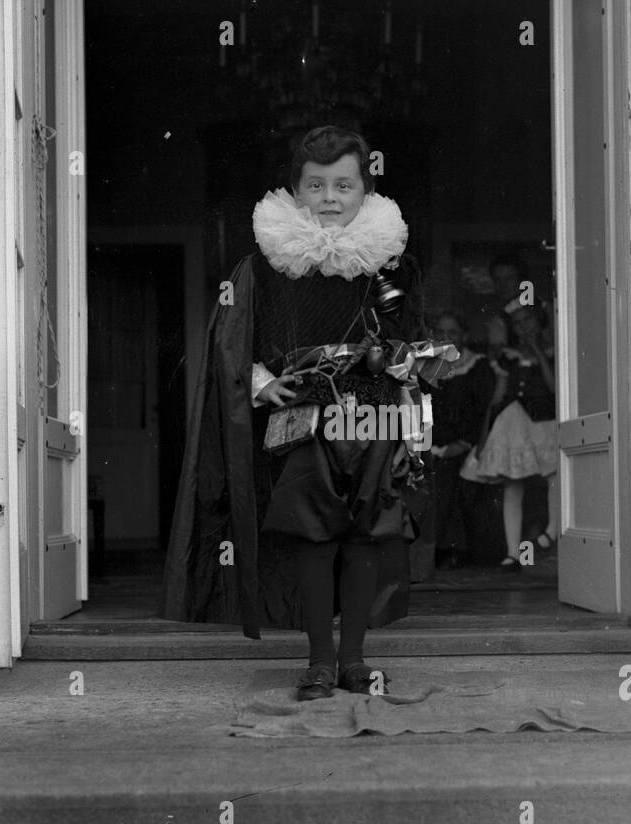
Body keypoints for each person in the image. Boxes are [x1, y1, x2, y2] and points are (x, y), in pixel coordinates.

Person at [159, 124, 440, 701]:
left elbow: (415, 339)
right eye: (316, 185)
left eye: (344, 184)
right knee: (314, 538)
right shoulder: (265, 264)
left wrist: (402, 368)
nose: (331, 198)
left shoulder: (390, 263)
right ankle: (318, 661)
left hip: (376, 415)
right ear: (295, 189)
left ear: (365, 188)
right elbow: (235, 344)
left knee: (364, 536)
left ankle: (356, 662)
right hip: (304, 421)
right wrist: (261, 383)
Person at [460, 303, 558, 569]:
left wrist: (536, 349)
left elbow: (553, 388)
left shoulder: (552, 351)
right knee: (512, 483)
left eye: (528, 320)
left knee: (554, 473)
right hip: (514, 423)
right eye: (517, 323)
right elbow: (497, 398)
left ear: (539, 321)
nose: (524, 326)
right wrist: (484, 438)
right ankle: (513, 552)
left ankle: (553, 528)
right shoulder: (506, 357)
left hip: (543, 422)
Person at [428, 311, 495, 568]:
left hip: (469, 445)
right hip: (431, 444)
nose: (446, 338)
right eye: (440, 333)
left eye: (452, 332)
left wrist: (465, 443)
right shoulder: (426, 368)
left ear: (464, 335)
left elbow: (483, 411)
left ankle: (452, 550)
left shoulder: (477, 367)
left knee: (450, 477)